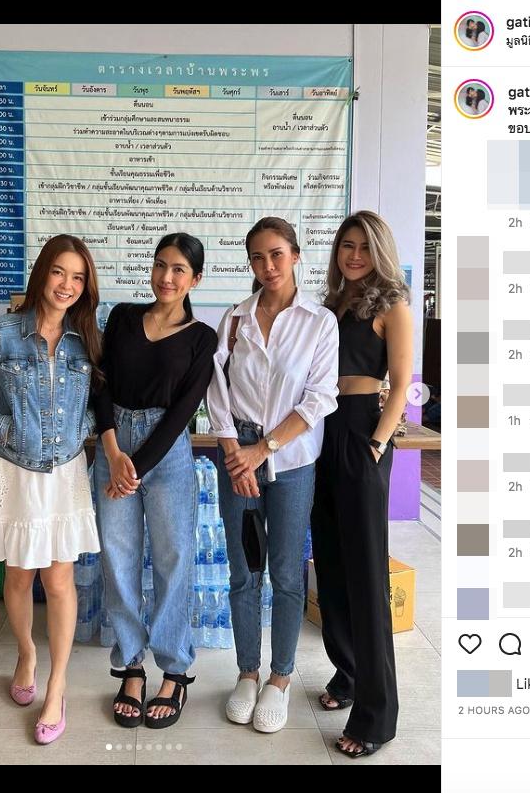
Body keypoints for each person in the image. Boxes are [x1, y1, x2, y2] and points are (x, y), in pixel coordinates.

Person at [0, 234, 103, 744]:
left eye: (77, 277)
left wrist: (82, 430)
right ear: (42, 274)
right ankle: (26, 653)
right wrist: (1, 427)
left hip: (64, 473)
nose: (67, 285)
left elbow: (102, 402)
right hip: (15, 469)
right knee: (17, 577)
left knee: (59, 581)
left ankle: (57, 686)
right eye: (59, 272)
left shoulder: (87, 337)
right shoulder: (3, 333)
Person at [207, 216, 338, 734]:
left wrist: (263, 450)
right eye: (257, 257)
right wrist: (235, 454)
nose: (268, 266)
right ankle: (247, 672)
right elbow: (216, 389)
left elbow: (320, 397)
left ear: (296, 256)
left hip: (291, 462)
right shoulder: (235, 319)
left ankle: (280, 678)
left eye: (277, 254)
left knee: (284, 573)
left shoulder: (319, 322)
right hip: (237, 459)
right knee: (244, 570)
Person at [93, 232, 216, 729]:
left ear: (195, 279)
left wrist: (136, 466)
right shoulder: (122, 316)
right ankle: (130, 665)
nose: (166, 277)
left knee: (173, 558)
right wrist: (112, 452)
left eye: (179, 269)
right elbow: (100, 382)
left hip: (166, 454)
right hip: (113, 446)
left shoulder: (202, 337)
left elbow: (185, 410)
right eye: (161, 265)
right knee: (118, 558)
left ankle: (174, 670)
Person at [311, 210, 413, 758]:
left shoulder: (393, 305)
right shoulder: (331, 305)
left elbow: (401, 383)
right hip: (320, 430)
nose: (354, 256)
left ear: (379, 252)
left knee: (368, 576)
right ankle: (347, 673)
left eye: (364, 247)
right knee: (330, 564)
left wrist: (375, 445)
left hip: (360, 434)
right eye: (346, 246)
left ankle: (377, 715)